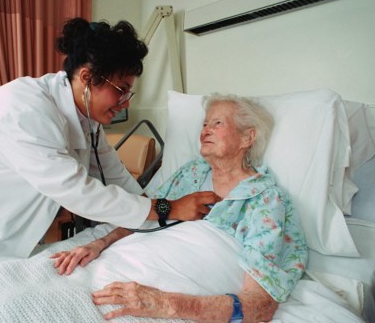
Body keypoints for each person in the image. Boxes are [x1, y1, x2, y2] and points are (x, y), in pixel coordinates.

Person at [0, 18, 219, 276]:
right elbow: (80, 193)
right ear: (87, 77)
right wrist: (168, 208)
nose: (124, 103)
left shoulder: (87, 122)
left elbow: (116, 178)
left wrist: (157, 208)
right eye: (120, 90)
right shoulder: (23, 110)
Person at [51, 93, 308, 323]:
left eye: (217, 123)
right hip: (126, 263)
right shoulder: (191, 172)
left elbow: (259, 307)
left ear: (247, 137)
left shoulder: (265, 199)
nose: (205, 131)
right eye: (204, 123)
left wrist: (167, 304)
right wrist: (99, 243)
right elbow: (150, 213)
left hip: (169, 291)